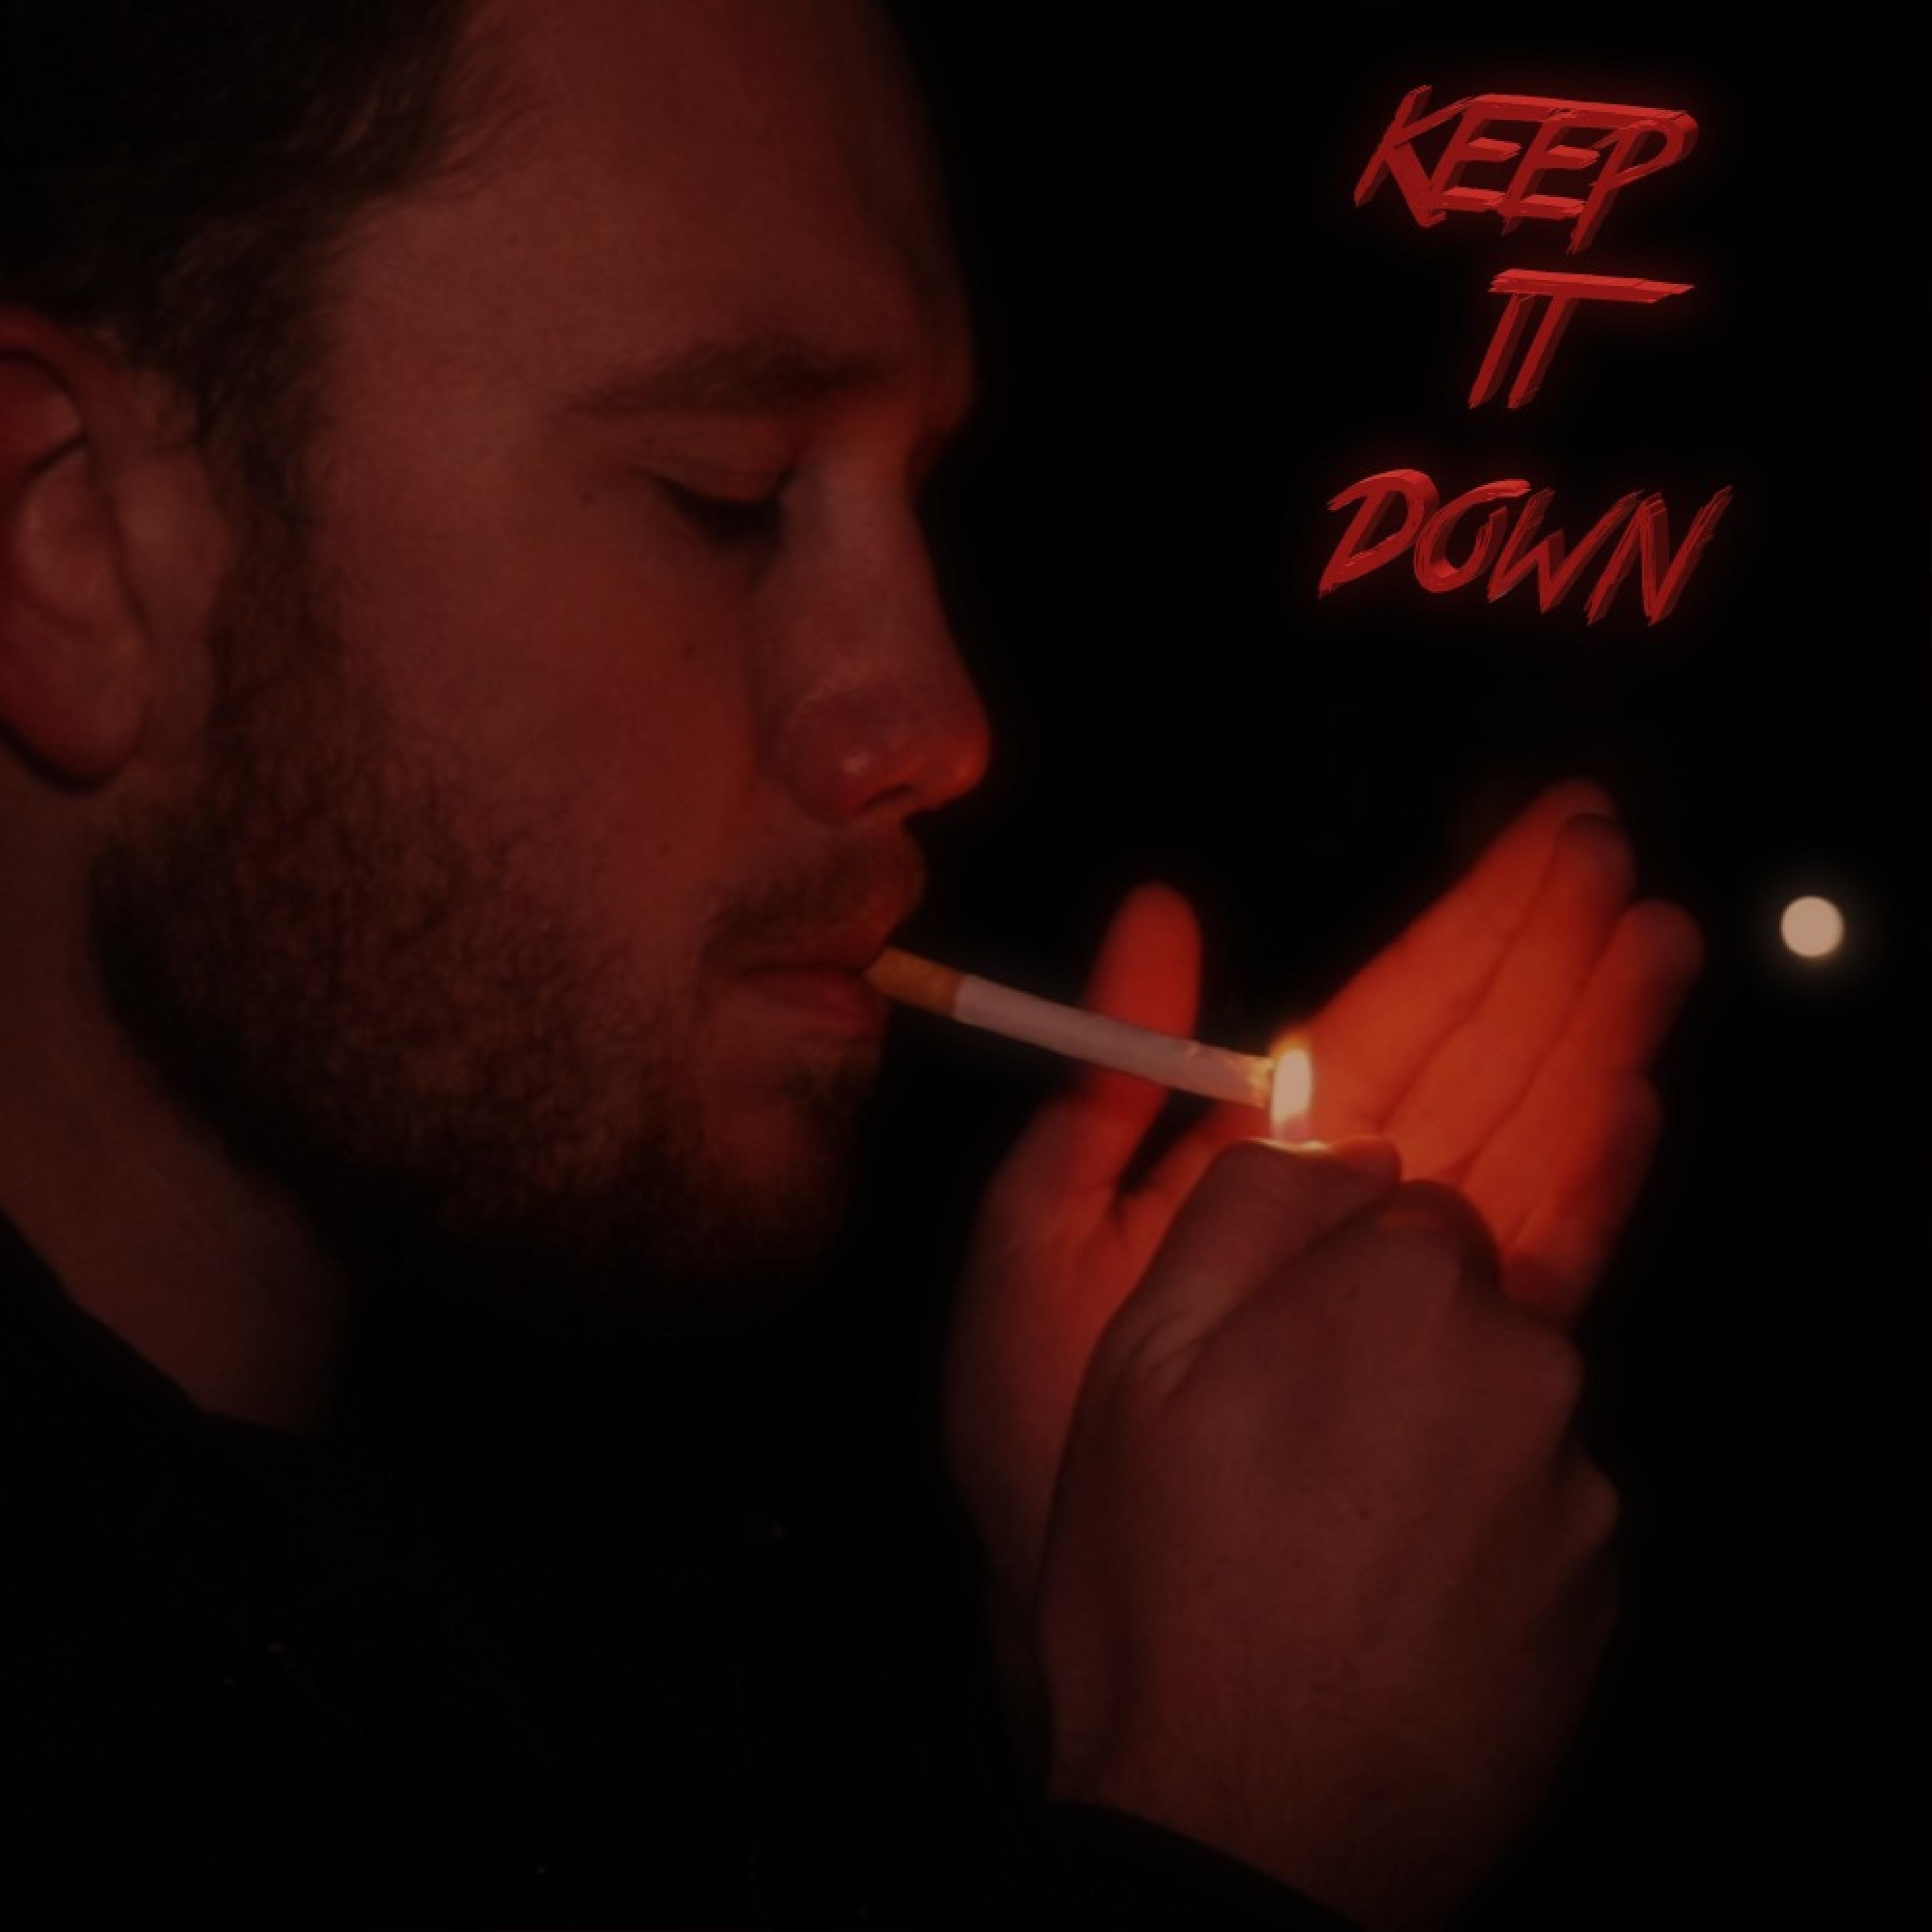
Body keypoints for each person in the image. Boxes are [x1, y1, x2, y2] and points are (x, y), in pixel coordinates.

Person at [0, 2, 1702, 1924]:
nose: (939, 727)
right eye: (726, 495)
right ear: (70, 543)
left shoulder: (580, 1613)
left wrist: (1097, 1659)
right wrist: (1230, 1834)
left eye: (918, 491)